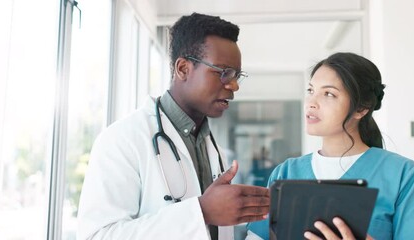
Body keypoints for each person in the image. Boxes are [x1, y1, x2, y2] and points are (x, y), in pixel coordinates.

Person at [77, 12, 270, 240]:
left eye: (237, 75)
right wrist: (202, 212)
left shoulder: (211, 145)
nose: (235, 85)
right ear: (183, 69)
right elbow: (97, 236)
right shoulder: (121, 139)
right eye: (223, 73)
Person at [246, 52, 414, 240]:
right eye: (311, 90)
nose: (311, 102)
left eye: (329, 94)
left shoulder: (403, 175)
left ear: (361, 108)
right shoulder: (287, 173)